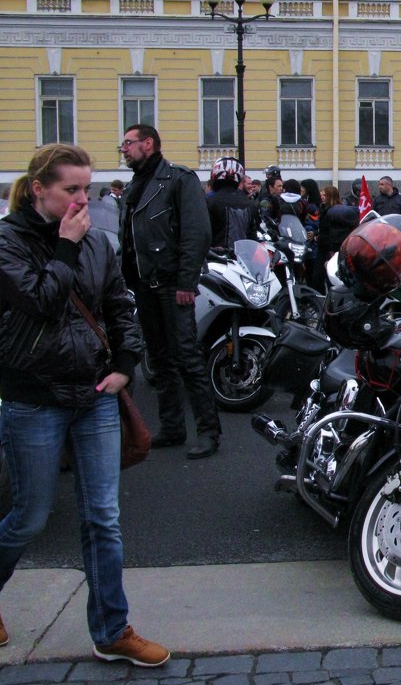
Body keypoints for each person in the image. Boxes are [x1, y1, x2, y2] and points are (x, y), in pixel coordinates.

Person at [0, 143, 169, 667]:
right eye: (70, 189)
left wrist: (124, 364)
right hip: (34, 398)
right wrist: (66, 248)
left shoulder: (96, 242)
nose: (81, 199)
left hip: (95, 394)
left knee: (103, 518)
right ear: (38, 190)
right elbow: (43, 302)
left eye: (87, 189)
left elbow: (120, 307)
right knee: (29, 515)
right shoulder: (9, 243)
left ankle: (112, 629)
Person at [119, 124, 222, 459]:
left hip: (171, 285)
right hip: (144, 284)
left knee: (187, 357)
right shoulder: (136, 184)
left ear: (148, 144)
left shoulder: (178, 179)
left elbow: (197, 233)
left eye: (128, 143)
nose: (124, 149)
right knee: (159, 358)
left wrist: (186, 283)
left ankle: (208, 431)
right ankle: (173, 427)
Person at [205, 156, 259, 249]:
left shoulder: (210, 202)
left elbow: (202, 234)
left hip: (216, 258)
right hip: (243, 257)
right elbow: (252, 238)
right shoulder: (250, 203)